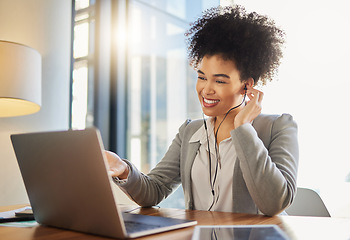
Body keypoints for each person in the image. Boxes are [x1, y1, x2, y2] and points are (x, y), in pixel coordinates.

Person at [105, 5, 298, 216]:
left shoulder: (278, 127)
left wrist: (243, 129)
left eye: (220, 81)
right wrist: (123, 169)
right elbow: (155, 190)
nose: (206, 89)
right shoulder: (190, 132)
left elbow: (274, 204)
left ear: (247, 85)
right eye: (202, 77)